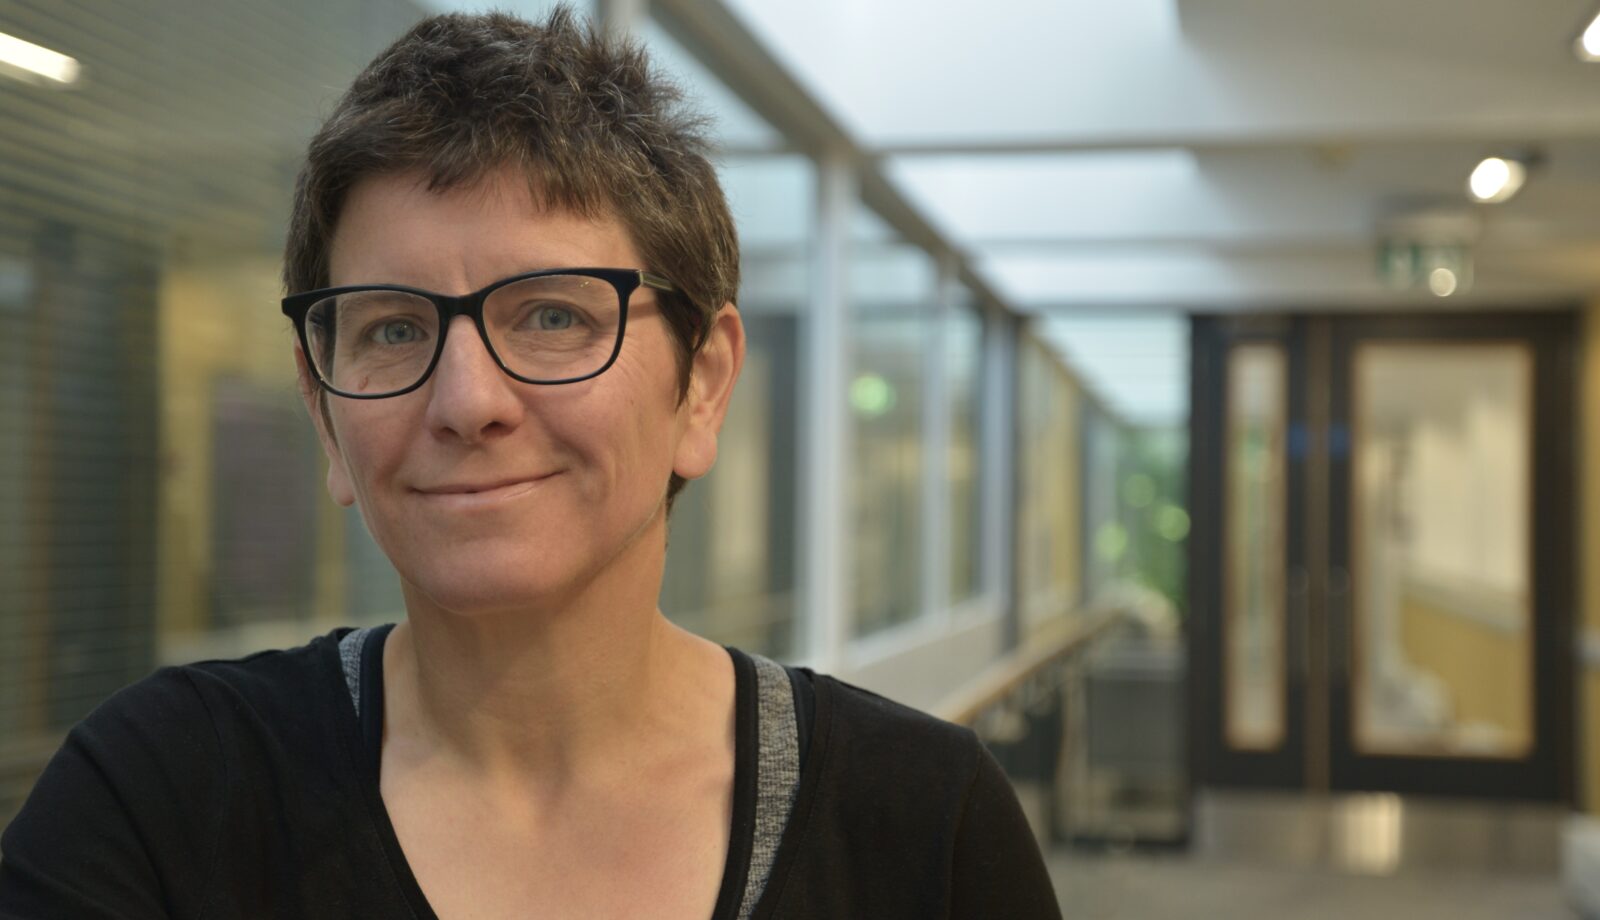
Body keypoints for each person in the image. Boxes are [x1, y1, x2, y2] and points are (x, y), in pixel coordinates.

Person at [0, 8, 1061, 918]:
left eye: (553, 315)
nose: (467, 402)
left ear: (701, 384)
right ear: (324, 415)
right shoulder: (161, 800)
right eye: (393, 329)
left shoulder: (924, 827)